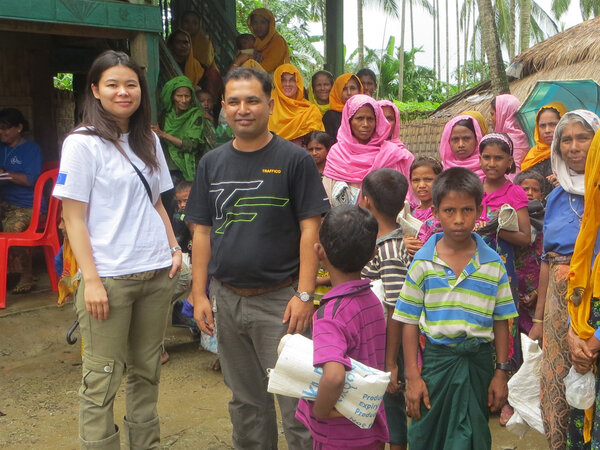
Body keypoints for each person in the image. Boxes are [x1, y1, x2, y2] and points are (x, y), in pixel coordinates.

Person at [185, 67, 330, 450]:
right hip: (227, 300)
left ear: (269, 104)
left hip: (282, 303)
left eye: (252, 100)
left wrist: (304, 294)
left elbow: (310, 230)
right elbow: (201, 232)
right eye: (233, 101)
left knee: (298, 404)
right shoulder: (211, 164)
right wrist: (199, 294)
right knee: (246, 404)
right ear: (223, 107)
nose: (242, 109)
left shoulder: (294, 160)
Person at [53, 50, 181, 449]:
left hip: (157, 272)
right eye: (112, 84)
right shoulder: (82, 143)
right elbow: (73, 218)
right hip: (108, 278)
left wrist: (174, 247)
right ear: (95, 89)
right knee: (102, 377)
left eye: (131, 84)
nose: (123, 92)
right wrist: (90, 281)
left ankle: (146, 444)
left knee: (147, 371)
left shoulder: (148, 139)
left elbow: (158, 202)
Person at [388, 167, 518, 450]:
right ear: (435, 212)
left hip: (478, 364)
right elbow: (408, 321)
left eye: (466, 210)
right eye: (449, 211)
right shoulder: (422, 262)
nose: (459, 220)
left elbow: (501, 321)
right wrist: (412, 376)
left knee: (472, 436)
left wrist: (500, 372)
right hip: (436, 363)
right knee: (426, 434)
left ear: (479, 210)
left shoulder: (493, 263)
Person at [527, 110, 600, 449]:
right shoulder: (555, 197)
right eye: (565, 139)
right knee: (560, 386)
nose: (573, 147)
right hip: (558, 308)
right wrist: (540, 319)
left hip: (594, 301)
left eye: (582, 138)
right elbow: (546, 260)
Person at [296, 205, 389, 449]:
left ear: (319, 252)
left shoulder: (330, 314)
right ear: (372, 255)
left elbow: (334, 376)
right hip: (370, 426)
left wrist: (321, 409)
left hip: (338, 437)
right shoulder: (372, 301)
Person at [476, 132, 531, 425]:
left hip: (503, 270)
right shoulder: (472, 188)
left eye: (499, 157)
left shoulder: (515, 192)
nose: (492, 163)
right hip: (473, 270)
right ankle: (481, 393)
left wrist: (493, 229)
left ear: (510, 160)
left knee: (505, 327)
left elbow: (525, 236)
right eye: (487, 157)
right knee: (480, 323)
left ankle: (507, 397)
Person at [360, 169, 410, 450]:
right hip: (378, 338)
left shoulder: (389, 250)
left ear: (366, 201)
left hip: (388, 343)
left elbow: (395, 308)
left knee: (391, 406)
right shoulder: (380, 242)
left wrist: (391, 362)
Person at [566, 128, 600, 447]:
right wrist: (573, 332)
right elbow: (579, 288)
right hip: (587, 342)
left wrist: (595, 340)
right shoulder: (591, 229)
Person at [322, 94, 413, 206]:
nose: (365, 124)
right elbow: (328, 195)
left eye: (370, 119)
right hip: (344, 220)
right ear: (349, 121)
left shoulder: (391, 153)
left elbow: (402, 194)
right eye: (359, 118)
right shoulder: (337, 153)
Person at [0, 107, 42, 294]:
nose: (2, 132)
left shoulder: (31, 149)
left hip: (28, 206)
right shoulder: (1, 148)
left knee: (12, 226)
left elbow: (30, 180)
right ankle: (5, 272)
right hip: (5, 203)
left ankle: (26, 275)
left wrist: (6, 174)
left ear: (19, 128)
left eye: (5, 128)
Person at [152, 76, 215, 183]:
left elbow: (191, 145)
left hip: (184, 170)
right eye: (179, 96)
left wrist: (164, 135)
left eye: (187, 96)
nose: (184, 100)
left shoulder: (196, 116)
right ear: (172, 97)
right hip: (164, 168)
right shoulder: (164, 116)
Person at [513, 170, 546, 336]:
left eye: (535, 190)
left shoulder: (549, 221)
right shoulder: (508, 219)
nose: (530, 193)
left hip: (540, 293)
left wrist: (538, 292)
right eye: (525, 189)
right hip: (513, 292)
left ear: (542, 194)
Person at [268, 63, 325, 145]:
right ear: (277, 82)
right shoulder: (268, 106)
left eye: (292, 80)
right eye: (283, 80)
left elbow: (317, 144)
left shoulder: (310, 110)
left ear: (298, 83)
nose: (287, 84)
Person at [520, 102, 567, 195]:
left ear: (563, 124)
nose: (547, 130)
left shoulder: (571, 152)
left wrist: (565, 181)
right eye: (542, 125)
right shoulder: (534, 154)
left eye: (552, 124)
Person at [403, 156, 443, 256]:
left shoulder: (442, 213)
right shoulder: (408, 210)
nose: (421, 185)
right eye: (416, 180)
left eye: (428, 179)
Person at [378, 99, 416, 203]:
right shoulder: (363, 153)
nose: (385, 122)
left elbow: (412, 194)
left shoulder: (405, 156)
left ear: (396, 122)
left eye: (389, 118)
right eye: (380, 117)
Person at [179, 10, 222, 98]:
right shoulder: (175, 41)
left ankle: (210, 104)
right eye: (186, 22)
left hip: (203, 76)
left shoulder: (204, 42)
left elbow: (205, 64)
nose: (190, 26)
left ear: (200, 26)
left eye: (195, 23)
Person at [490, 94, 529, 172]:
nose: (490, 119)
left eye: (492, 114)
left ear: (502, 114)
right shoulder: (525, 137)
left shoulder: (504, 141)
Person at [246, 8, 290, 74]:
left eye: (263, 22)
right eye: (255, 22)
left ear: (270, 24)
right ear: (251, 25)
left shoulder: (277, 41)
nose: (258, 26)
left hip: (276, 80)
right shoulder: (253, 42)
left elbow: (266, 67)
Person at [322, 73, 363, 142]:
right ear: (337, 91)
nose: (349, 93)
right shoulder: (330, 116)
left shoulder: (365, 112)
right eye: (344, 89)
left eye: (352, 88)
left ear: (359, 91)